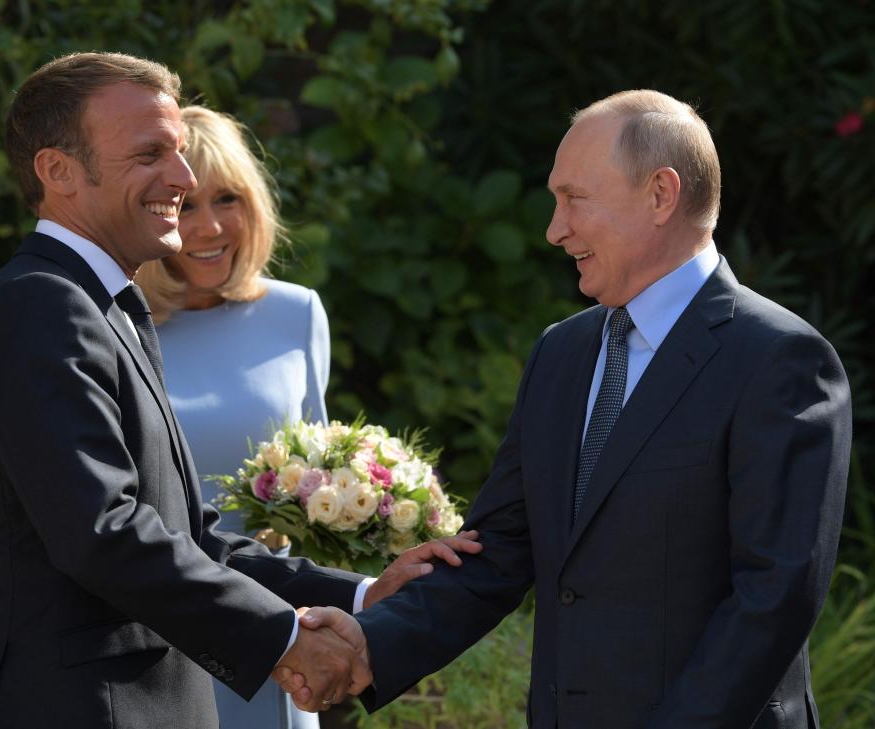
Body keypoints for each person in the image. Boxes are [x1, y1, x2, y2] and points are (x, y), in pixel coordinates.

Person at [0, 52, 477, 729]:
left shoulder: (104, 308)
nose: (183, 178)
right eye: (150, 155)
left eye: (181, 153)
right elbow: (103, 534)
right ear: (58, 172)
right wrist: (286, 638)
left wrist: (363, 594)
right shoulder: (39, 307)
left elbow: (186, 534)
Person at [288, 90, 853, 728]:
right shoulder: (562, 352)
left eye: (573, 198)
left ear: (661, 194)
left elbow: (773, 598)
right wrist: (374, 641)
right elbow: (500, 549)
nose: (555, 229)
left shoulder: (779, 360)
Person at [135, 104, 368, 728]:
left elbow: (320, 472)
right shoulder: (119, 325)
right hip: (160, 633)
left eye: (228, 199)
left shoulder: (297, 314)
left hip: (278, 632)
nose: (209, 227)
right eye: (186, 205)